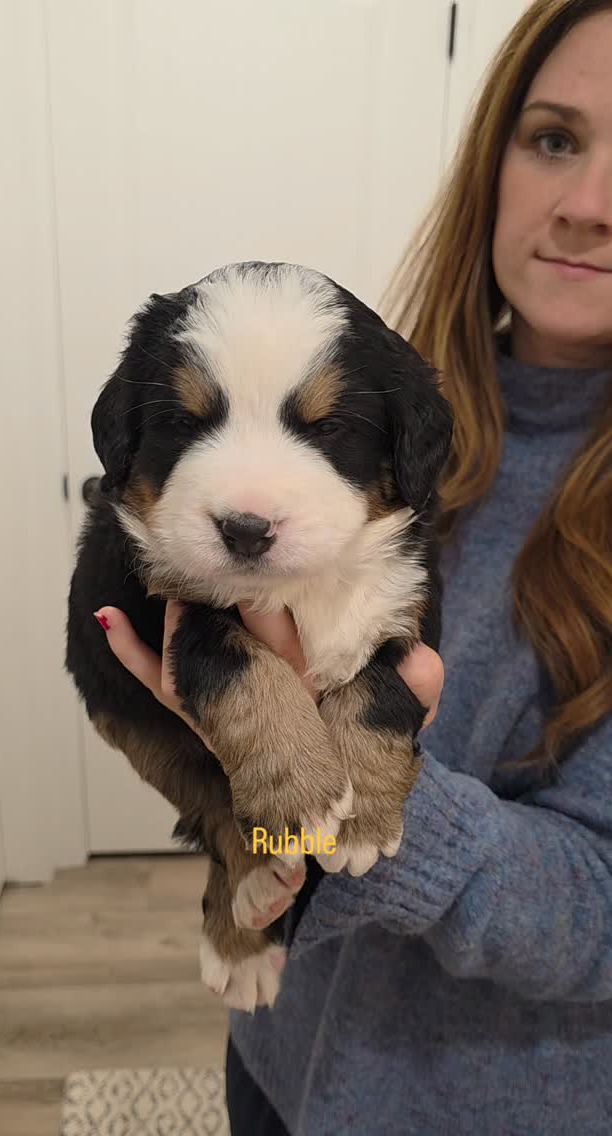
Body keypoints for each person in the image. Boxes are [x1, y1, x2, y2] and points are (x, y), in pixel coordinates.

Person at [93, 0, 612, 1130]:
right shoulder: (388, 382)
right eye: (556, 137)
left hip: (489, 1100)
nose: (587, 205)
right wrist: (226, 797)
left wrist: (348, 795)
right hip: (279, 1052)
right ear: (493, 156)